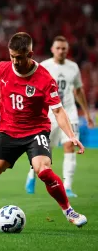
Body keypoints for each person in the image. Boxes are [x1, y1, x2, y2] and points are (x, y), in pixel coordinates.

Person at [0, 32, 87, 231]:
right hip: (8, 130)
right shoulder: (1, 68)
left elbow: (58, 110)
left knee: (43, 170)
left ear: (30, 54)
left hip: (36, 131)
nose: (15, 61)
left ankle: (69, 211)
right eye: (12, 56)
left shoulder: (44, 78)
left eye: (19, 57)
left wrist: (71, 136)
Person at [25, 36, 94, 197]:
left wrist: (87, 114)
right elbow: (34, 89)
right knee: (44, 149)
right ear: (52, 49)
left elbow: (78, 90)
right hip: (48, 113)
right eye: (58, 48)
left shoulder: (73, 67)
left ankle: (67, 186)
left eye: (64, 48)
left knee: (70, 145)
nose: (61, 51)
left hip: (69, 112)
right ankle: (31, 175)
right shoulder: (44, 66)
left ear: (67, 50)